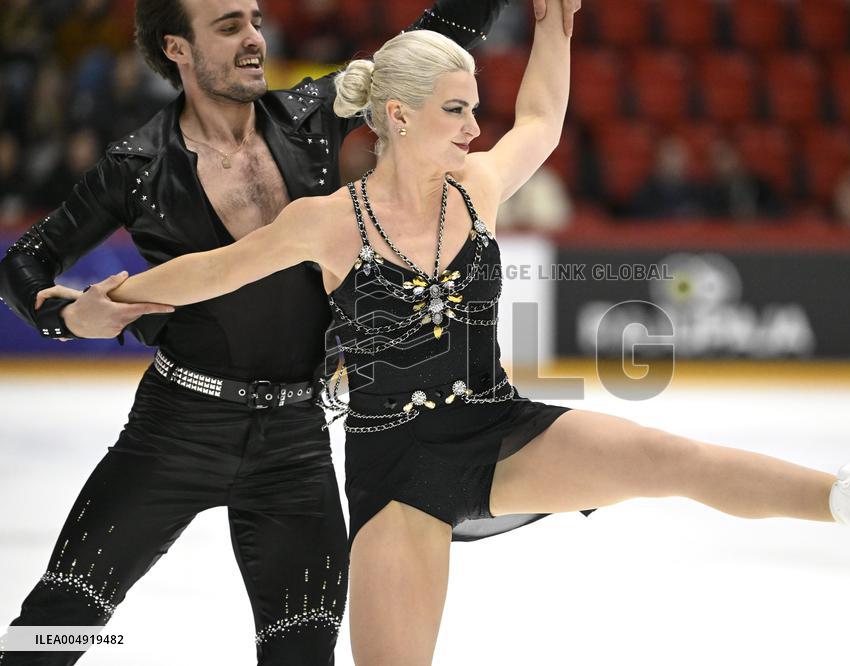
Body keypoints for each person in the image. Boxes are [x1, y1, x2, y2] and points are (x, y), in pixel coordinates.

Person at [102, 9, 850, 666]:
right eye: (455, 110)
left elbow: (543, 121)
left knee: (671, 458)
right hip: (395, 471)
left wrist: (558, 19)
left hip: (500, 428)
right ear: (399, 117)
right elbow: (217, 270)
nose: (474, 128)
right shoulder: (327, 224)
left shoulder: (476, 189)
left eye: (474, 108)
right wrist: (120, 296)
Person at [0, 0, 583, 663]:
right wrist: (67, 317)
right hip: (175, 431)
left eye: (253, 18)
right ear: (177, 49)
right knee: (59, 622)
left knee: (302, 653)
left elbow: (432, 43)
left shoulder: (310, 115)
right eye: (229, 26)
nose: (255, 36)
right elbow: (22, 264)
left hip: (295, 443)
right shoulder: (135, 166)